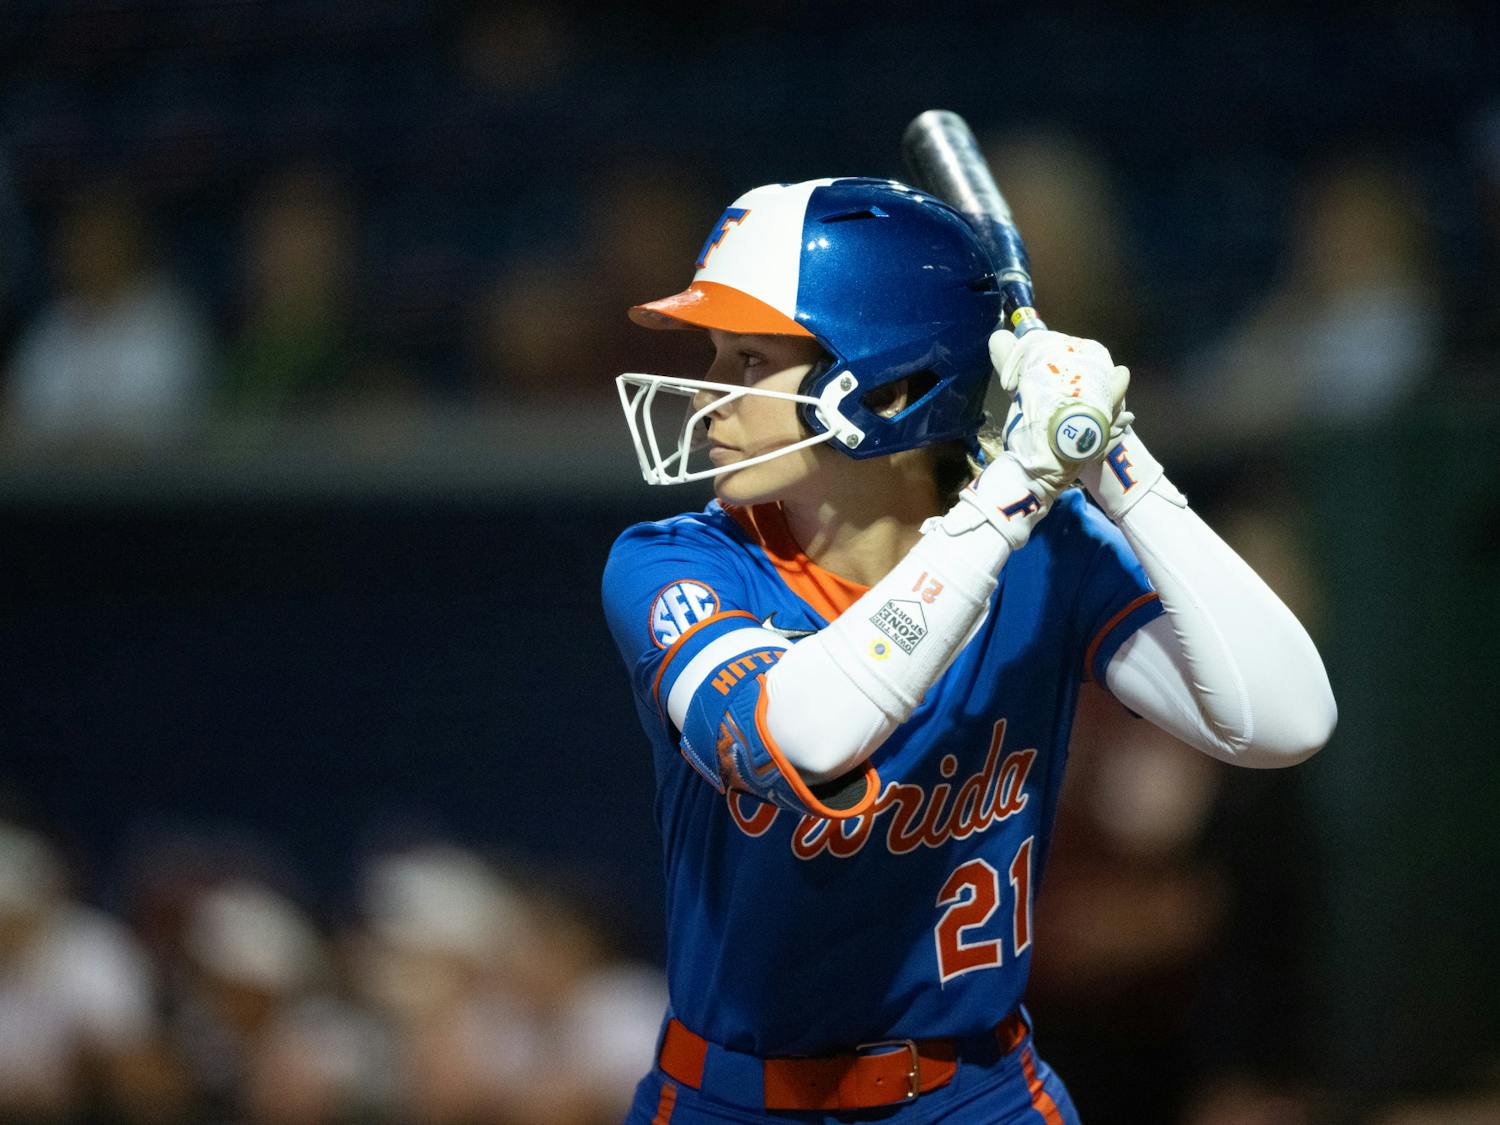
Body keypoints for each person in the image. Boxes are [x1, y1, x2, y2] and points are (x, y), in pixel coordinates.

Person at [601, 177, 1337, 1123]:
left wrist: (1120, 464)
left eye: (748, 360)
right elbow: (802, 738)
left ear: (891, 386)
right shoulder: (673, 562)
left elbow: (1286, 718)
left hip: (975, 1094)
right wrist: (1010, 494)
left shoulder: (1048, 550)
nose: (712, 400)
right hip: (735, 1097)